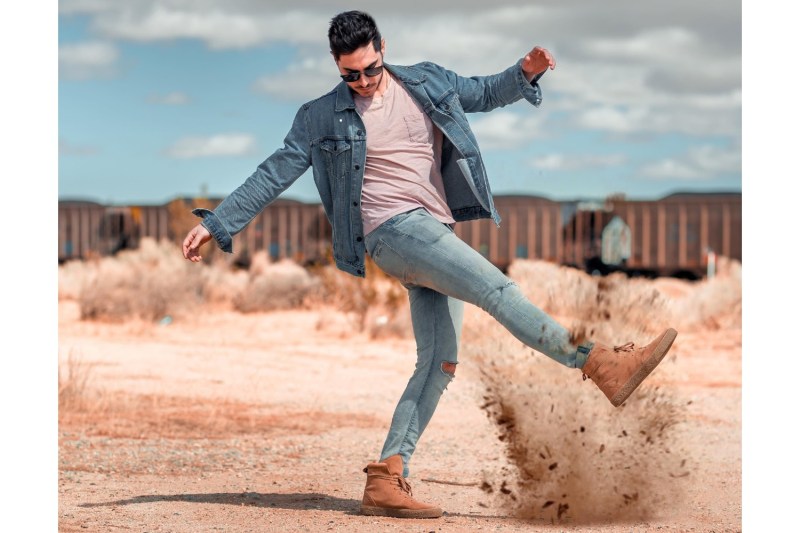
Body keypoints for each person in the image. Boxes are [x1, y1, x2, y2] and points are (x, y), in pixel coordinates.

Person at [181, 10, 677, 519]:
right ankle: (599, 363)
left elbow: (482, 92)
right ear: (336, 67)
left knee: (439, 361)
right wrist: (218, 223)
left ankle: (387, 475)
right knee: (497, 290)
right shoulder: (321, 116)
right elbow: (274, 172)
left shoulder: (426, 82)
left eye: (371, 69)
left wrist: (525, 72)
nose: (364, 82)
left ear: (383, 48)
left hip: (433, 230)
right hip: (391, 231)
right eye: (350, 74)